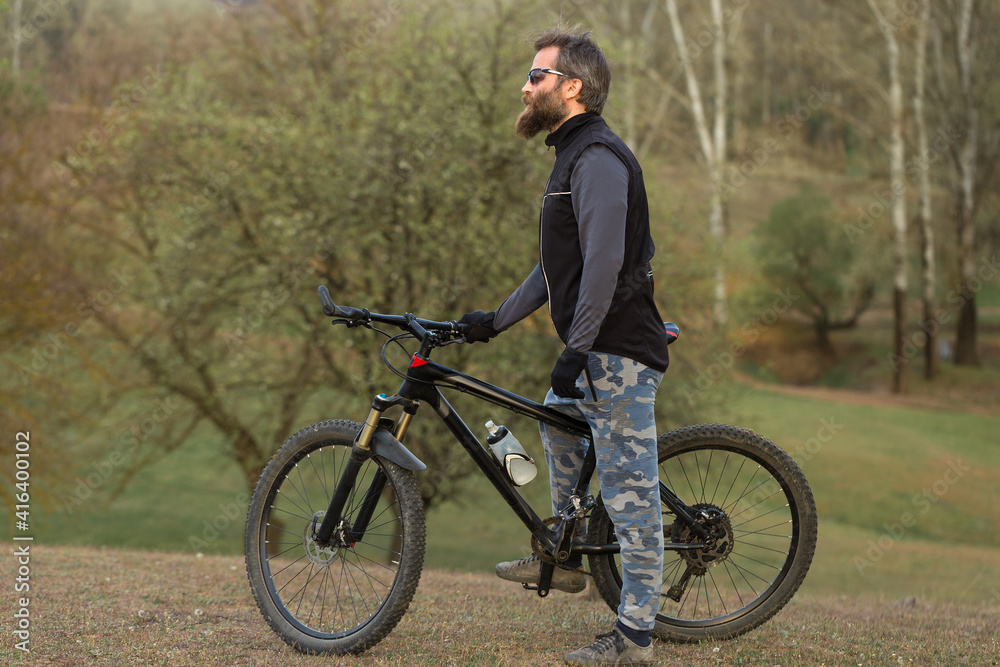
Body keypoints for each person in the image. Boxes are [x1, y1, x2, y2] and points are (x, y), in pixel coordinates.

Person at [459, 26, 669, 667]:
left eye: (536, 76)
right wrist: (492, 321)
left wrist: (577, 349)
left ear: (570, 87)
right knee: (557, 427)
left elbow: (603, 264)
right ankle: (567, 553)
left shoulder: (599, 159)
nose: (525, 88)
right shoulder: (570, 157)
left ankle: (634, 638)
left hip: (616, 354)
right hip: (593, 352)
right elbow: (556, 270)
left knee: (633, 499)